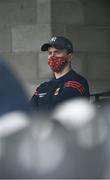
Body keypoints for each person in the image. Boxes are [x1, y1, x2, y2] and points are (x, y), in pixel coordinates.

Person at [30, 36, 90, 112]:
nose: (52, 56)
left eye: (57, 52)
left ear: (69, 57)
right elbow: (28, 112)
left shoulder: (77, 82)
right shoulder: (44, 87)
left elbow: (56, 110)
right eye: (50, 53)